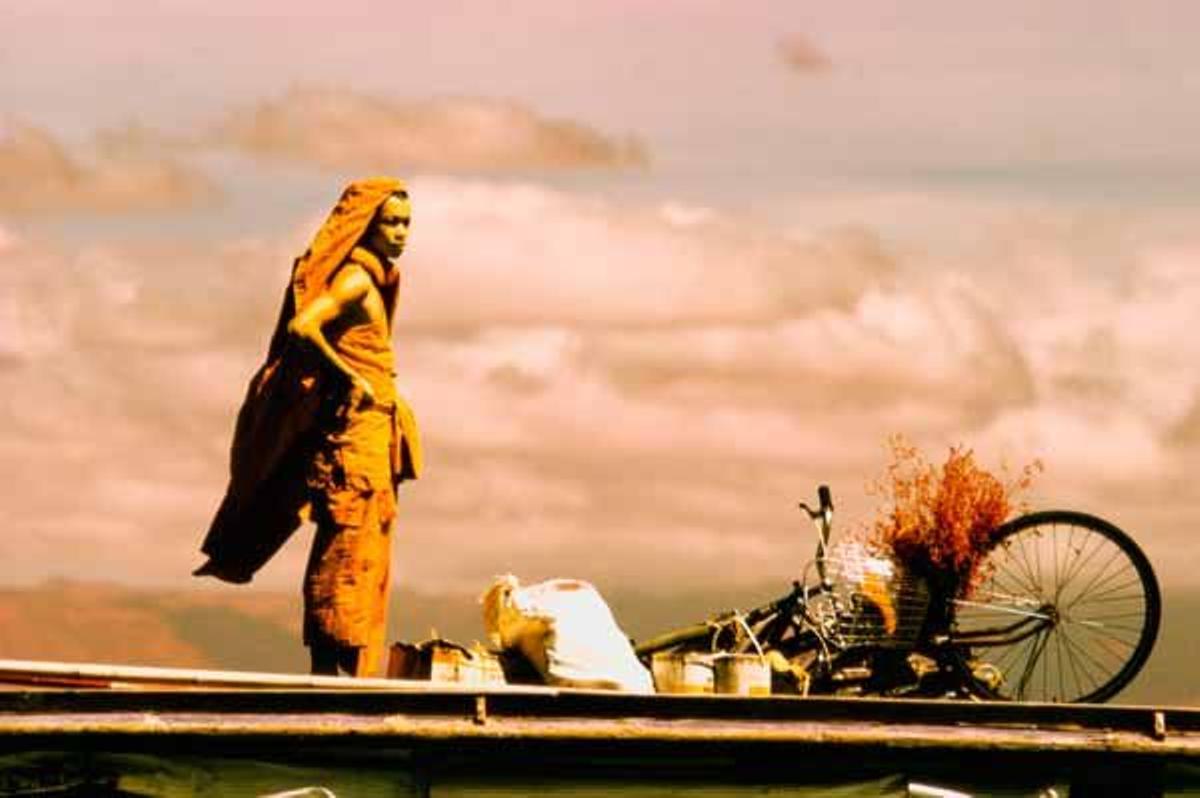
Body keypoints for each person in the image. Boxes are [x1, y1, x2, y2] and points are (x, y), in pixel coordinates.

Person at [194, 177, 422, 677]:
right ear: (367, 225)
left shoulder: (378, 279)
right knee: (346, 549)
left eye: (407, 223)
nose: (401, 233)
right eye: (391, 223)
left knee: (366, 553)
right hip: (352, 446)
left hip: (373, 436)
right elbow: (304, 327)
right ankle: (332, 673)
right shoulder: (356, 280)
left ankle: (350, 671)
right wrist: (353, 378)